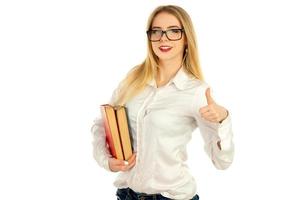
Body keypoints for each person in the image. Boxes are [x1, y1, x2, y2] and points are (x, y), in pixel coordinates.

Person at [91, 5, 234, 200]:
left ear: (186, 39)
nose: (163, 38)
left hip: (171, 196)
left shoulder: (196, 91)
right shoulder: (134, 78)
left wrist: (223, 120)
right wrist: (106, 161)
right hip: (127, 194)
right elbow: (102, 123)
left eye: (173, 31)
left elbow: (223, 162)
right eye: (156, 31)